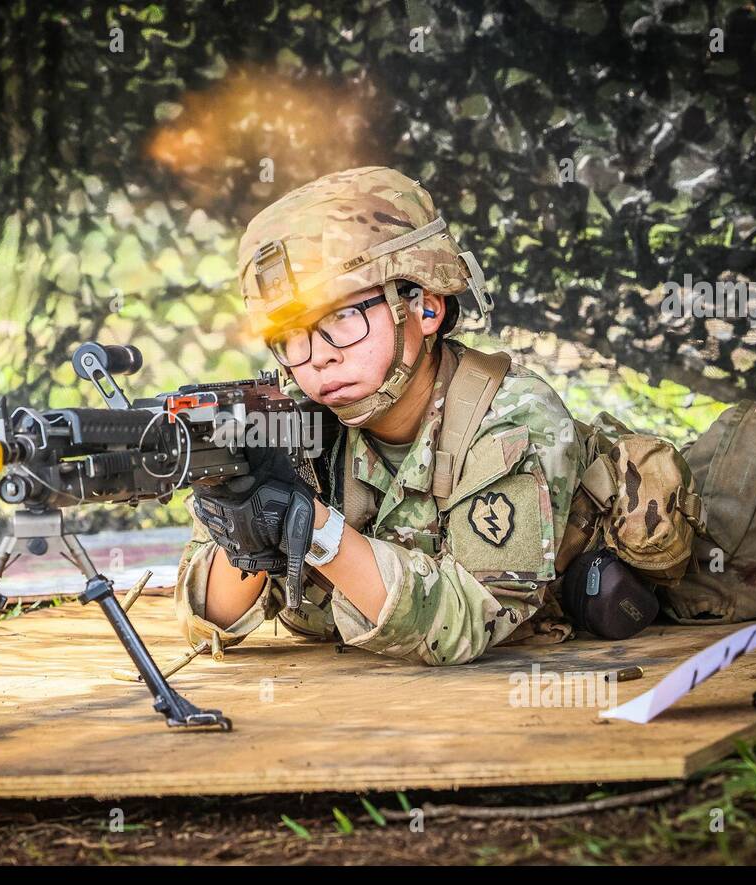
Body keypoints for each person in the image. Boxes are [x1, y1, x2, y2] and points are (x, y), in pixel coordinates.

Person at [174, 166, 585, 665]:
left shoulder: (511, 420)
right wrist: (247, 516)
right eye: (289, 337)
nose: (317, 356)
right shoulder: (289, 426)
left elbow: (468, 621)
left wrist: (314, 525)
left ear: (424, 309)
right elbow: (207, 620)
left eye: (342, 318)